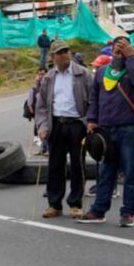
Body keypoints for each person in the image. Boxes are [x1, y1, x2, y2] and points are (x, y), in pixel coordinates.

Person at [78, 36, 134, 227]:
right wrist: (91, 120)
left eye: (124, 46)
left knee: (130, 173)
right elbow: (94, 99)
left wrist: (131, 57)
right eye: (117, 47)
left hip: (128, 128)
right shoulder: (101, 72)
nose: (120, 50)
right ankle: (98, 210)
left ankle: (128, 212)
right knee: (105, 171)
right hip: (105, 130)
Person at [34, 40, 92, 218]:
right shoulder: (49, 77)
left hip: (77, 124)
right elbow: (42, 106)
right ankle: (54, 204)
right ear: (52, 57)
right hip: (56, 124)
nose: (64, 54)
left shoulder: (84, 74)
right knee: (55, 165)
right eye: (59, 52)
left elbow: (93, 100)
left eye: (66, 51)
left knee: (77, 164)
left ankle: (75, 203)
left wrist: (90, 121)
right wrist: (43, 126)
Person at [24, 67, 48, 155]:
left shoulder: (48, 85)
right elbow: (30, 100)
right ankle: (43, 148)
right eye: (39, 74)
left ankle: (47, 148)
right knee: (39, 131)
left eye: (43, 74)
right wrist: (31, 110)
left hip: (46, 112)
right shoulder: (34, 88)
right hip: (37, 112)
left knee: (45, 130)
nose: (41, 76)